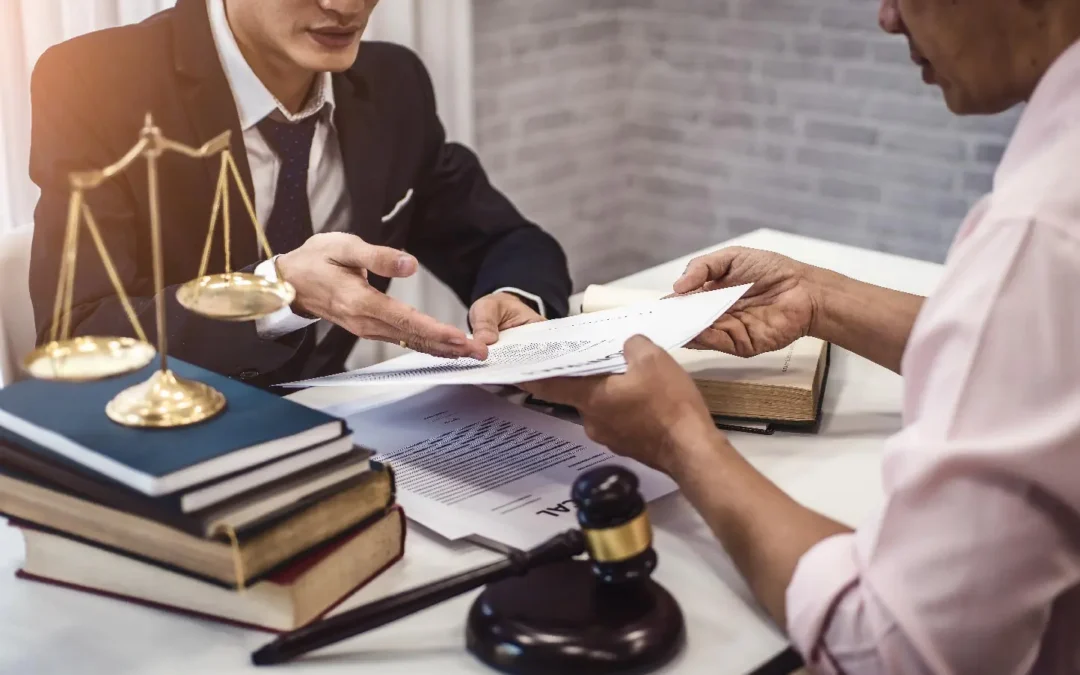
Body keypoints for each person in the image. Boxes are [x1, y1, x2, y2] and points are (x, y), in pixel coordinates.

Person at [526, 0, 1080, 671]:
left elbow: (894, 648)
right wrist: (819, 299)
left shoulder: (1041, 232)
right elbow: (1038, 356)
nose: (888, 19)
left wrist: (681, 438)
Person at [27, 0, 571, 388]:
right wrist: (277, 292)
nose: (345, 6)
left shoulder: (393, 82)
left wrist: (516, 299)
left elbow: (502, 240)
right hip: (160, 445)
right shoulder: (93, 80)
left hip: (344, 430)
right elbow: (77, 332)